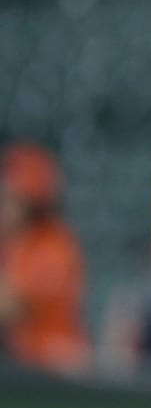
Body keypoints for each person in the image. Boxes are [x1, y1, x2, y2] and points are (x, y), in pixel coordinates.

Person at [0, 141, 91, 374]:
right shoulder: (14, 243)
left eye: (11, 198)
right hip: (21, 369)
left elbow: (12, 307)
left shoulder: (54, 245)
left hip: (54, 375)